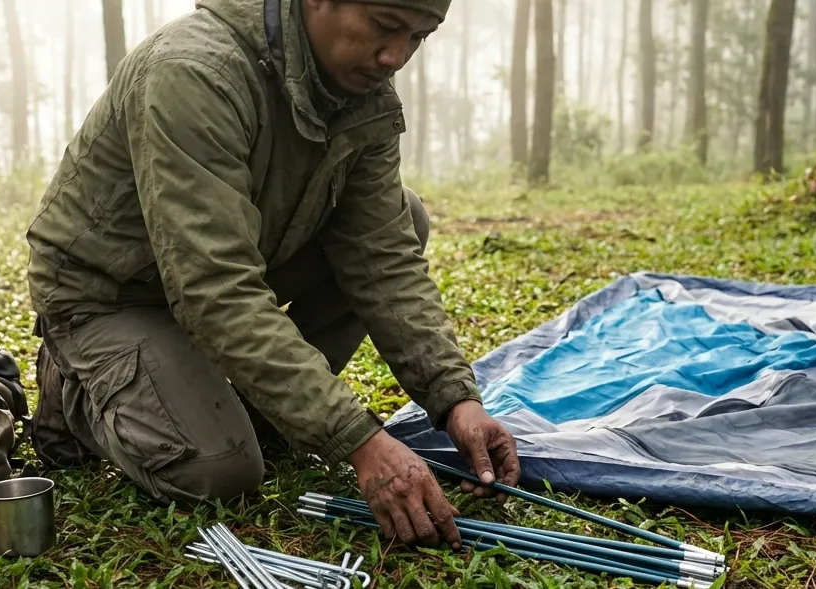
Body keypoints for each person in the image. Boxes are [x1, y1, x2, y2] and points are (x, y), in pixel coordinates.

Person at [26, 0, 520, 551]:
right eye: (384, 27)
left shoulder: (361, 94)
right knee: (218, 472)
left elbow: (383, 258)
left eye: (418, 37)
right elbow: (215, 288)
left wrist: (457, 400)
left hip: (230, 264)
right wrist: (358, 441)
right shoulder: (194, 72)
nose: (395, 56)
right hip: (110, 292)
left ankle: (253, 410)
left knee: (408, 215)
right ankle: (73, 388)